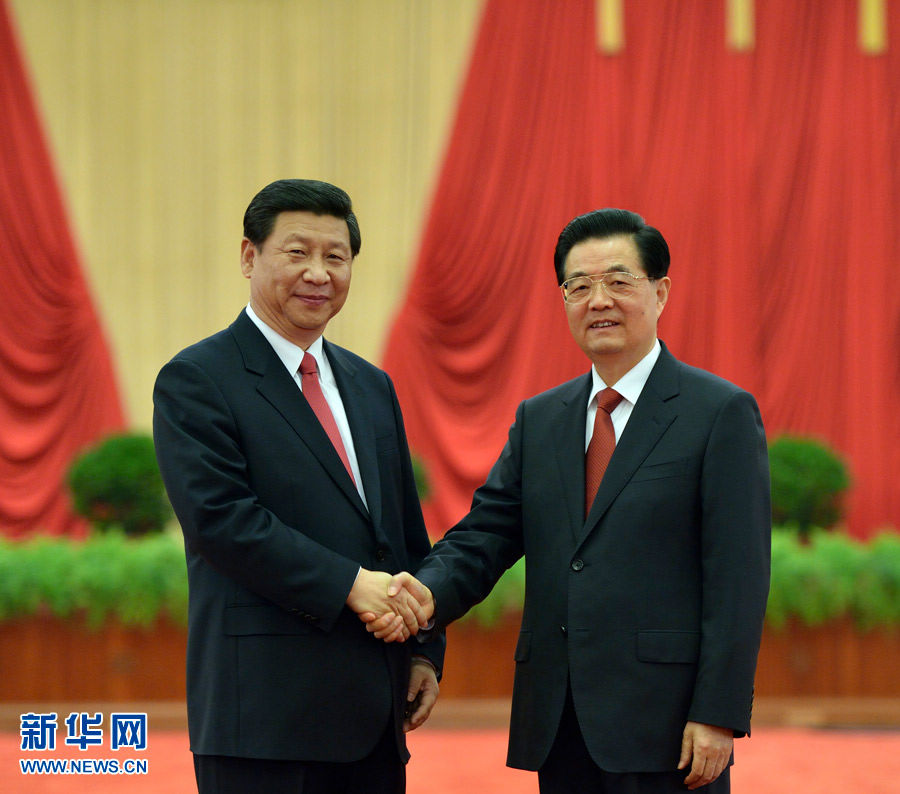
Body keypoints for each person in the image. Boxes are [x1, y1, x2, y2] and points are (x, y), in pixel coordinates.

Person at [367, 208, 771, 793]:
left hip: (669, 725)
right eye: (578, 286)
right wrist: (419, 602)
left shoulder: (717, 413)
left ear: (660, 293)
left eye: (618, 281)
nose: (597, 300)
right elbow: (485, 536)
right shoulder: (542, 420)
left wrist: (718, 711)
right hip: (559, 720)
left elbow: (738, 576)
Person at [153, 178, 441, 794]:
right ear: (249, 256)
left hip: (374, 717)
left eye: (335, 257)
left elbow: (401, 534)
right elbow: (222, 521)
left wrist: (423, 650)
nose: (318, 272)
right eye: (297, 252)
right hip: (263, 720)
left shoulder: (372, 387)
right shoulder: (198, 379)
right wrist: (350, 586)